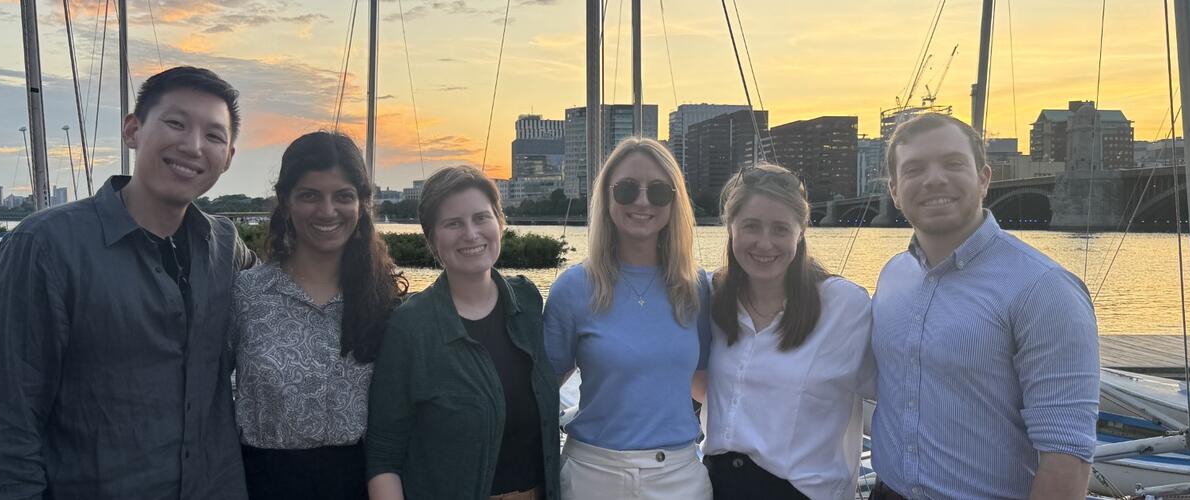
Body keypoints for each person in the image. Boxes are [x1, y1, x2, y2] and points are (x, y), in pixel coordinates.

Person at [0, 66, 255, 499]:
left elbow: (291, 295)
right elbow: (9, 423)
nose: (193, 145)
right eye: (176, 123)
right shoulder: (45, 246)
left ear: (229, 157)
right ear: (132, 130)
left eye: (214, 136)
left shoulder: (226, 247)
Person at [868, 113, 1099, 499]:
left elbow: (1067, 458)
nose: (934, 179)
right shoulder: (894, 274)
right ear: (894, 190)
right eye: (914, 169)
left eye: (953, 163)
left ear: (984, 178)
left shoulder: (1043, 288)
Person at [365, 166, 560, 500]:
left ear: (500, 223)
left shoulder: (527, 301)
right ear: (432, 239)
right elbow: (384, 453)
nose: (471, 234)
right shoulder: (410, 327)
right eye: (453, 223)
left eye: (481, 218)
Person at [231, 131, 406, 498]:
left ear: (361, 204)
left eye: (343, 196)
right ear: (285, 203)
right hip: (261, 484)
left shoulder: (386, 301)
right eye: (310, 195)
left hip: (361, 485)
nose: (327, 211)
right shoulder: (245, 295)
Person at [543, 138, 712, 500]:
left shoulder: (696, 288)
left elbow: (708, 385)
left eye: (659, 191)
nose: (642, 201)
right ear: (606, 197)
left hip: (679, 478)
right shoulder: (573, 288)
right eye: (627, 189)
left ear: (675, 201)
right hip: (592, 476)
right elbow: (542, 391)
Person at [699, 164, 873, 500]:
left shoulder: (843, 306)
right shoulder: (710, 296)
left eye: (780, 229)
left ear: (801, 231)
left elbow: (896, 388)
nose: (765, 243)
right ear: (730, 227)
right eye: (751, 226)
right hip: (716, 486)